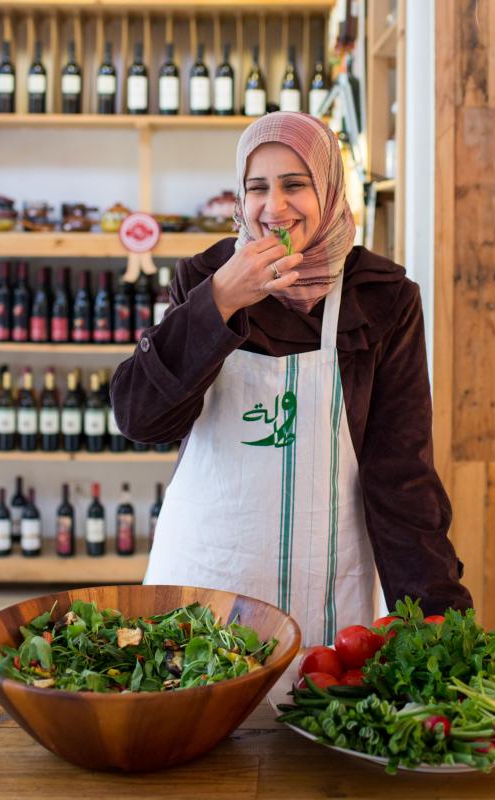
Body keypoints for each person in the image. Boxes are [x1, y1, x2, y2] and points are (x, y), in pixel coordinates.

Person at [111, 111, 472, 645]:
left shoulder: (384, 296)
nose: (273, 207)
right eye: (257, 187)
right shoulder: (202, 278)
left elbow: (400, 472)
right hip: (207, 577)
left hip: (326, 590)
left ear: (328, 189)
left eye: (294, 185)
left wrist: (441, 624)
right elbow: (142, 418)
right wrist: (220, 301)